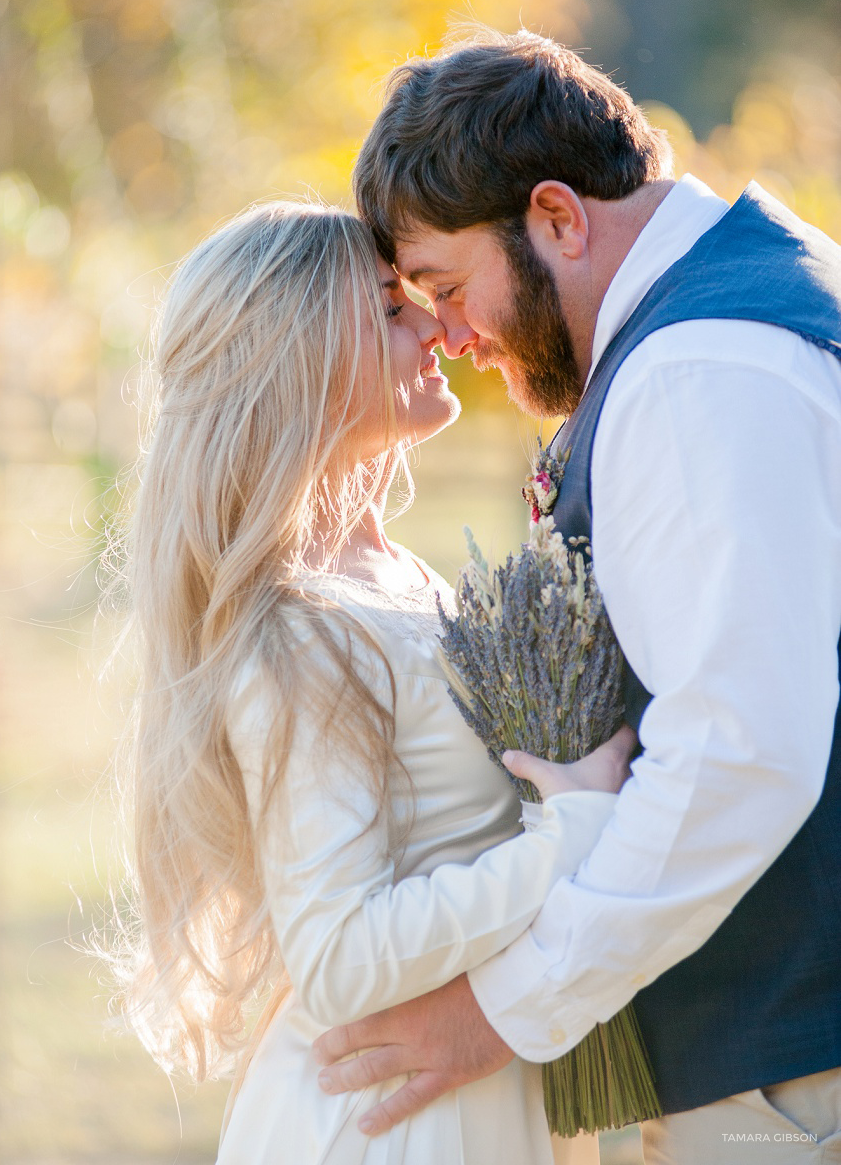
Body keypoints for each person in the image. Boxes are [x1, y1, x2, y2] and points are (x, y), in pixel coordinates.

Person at [314, 30, 841, 1165]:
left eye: (450, 289)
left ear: (557, 217)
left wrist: (504, 1008)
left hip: (793, 1075)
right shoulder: (756, 303)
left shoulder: (701, 371)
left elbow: (739, 750)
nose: (448, 338)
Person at [109, 199, 635, 1165]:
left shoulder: (400, 580)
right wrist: (572, 838)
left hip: (468, 1099)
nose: (436, 324)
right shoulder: (303, 630)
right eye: (391, 310)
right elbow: (344, 960)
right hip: (388, 1128)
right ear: (301, 356)